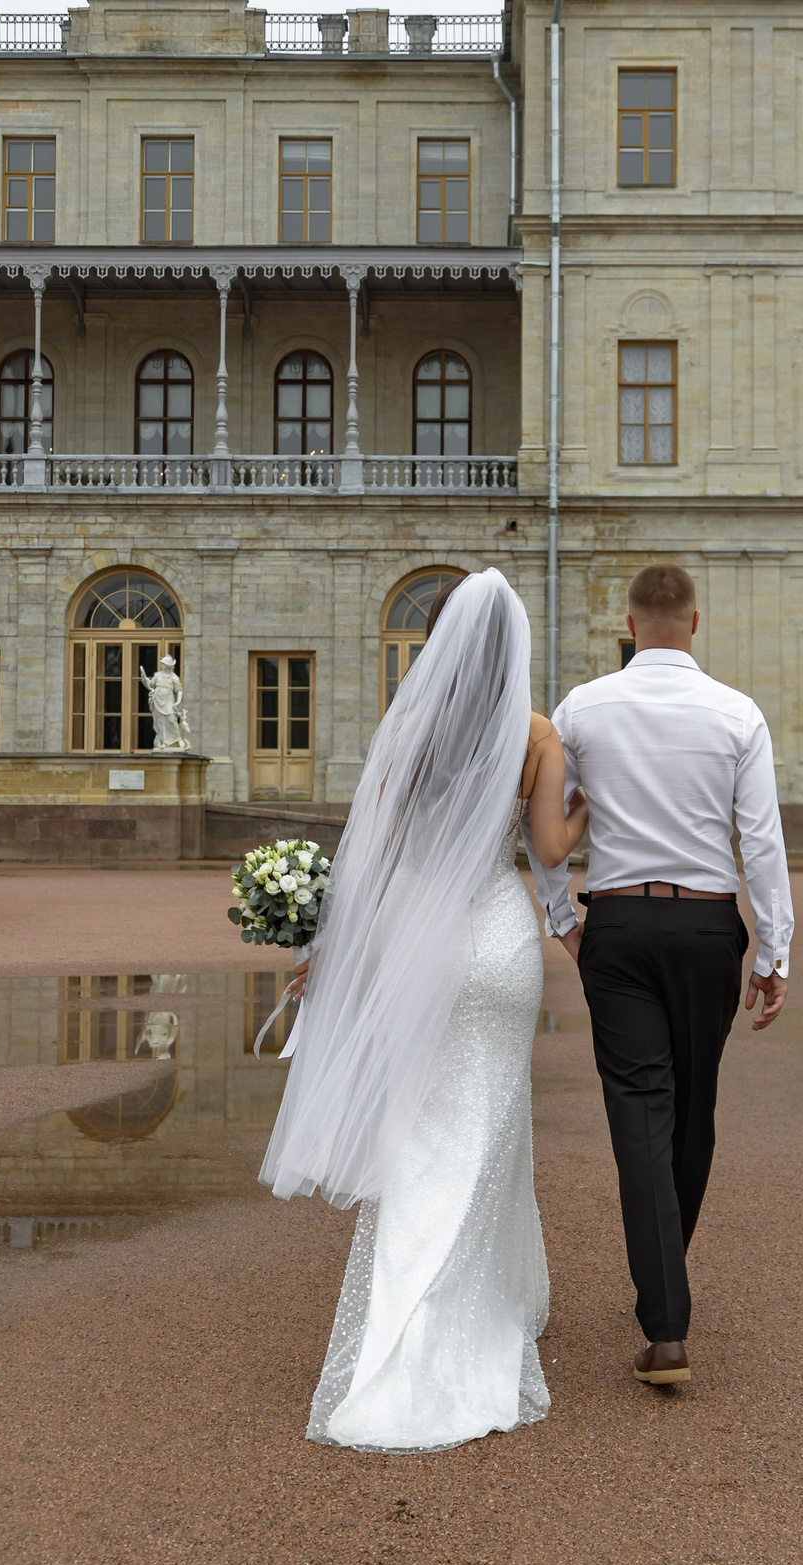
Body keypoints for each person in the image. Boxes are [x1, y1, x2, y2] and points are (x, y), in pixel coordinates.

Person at [259, 568, 589, 1453]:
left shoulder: (407, 727)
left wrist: (325, 954)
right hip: (499, 941)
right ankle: (493, 1301)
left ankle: (418, 1313)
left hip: (426, 949)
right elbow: (552, 849)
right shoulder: (535, 733)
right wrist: (583, 803)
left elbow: (374, 859)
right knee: (496, 1124)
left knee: (426, 1127)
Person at [533, 565, 793, 1388]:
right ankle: (664, 1300)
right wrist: (774, 951)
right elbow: (762, 841)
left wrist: (562, 918)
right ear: (695, 621)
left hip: (619, 925)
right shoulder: (737, 713)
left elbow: (544, 818)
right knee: (694, 1104)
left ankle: (665, 1306)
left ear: (630, 624)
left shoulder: (582, 707)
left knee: (640, 1107)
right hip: (706, 925)